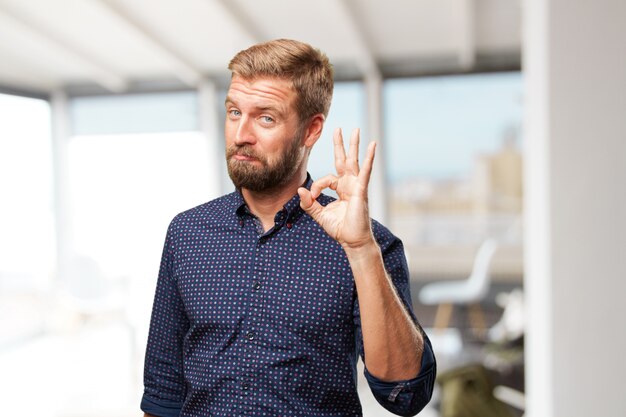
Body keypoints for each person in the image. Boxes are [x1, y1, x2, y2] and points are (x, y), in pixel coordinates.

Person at [141, 39, 436, 417]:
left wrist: (361, 250)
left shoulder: (369, 243)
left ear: (311, 130)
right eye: (234, 112)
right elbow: (163, 393)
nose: (241, 134)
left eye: (266, 118)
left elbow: (405, 394)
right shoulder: (187, 233)